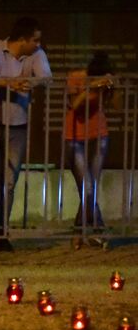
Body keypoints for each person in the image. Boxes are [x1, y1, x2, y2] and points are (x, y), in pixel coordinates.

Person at [0, 16, 51, 253]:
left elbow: (46, 77)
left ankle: (0, 233)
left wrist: (28, 82)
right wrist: (9, 83)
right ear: (22, 39)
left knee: (7, 181)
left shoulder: (37, 55)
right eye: (35, 40)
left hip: (17, 121)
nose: (38, 44)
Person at [63, 51, 111, 248]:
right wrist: (91, 87)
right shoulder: (75, 77)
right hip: (74, 136)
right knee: (87, 186)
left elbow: (115, 105)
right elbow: (73, 105)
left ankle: (79, 231)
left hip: (99, 135)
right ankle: (99, 229)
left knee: (91, 186)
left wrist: (111, 86)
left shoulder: (107, 79)